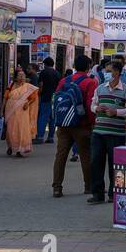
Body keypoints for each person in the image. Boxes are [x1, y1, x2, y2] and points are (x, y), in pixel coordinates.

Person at [87, 60, 126, 204]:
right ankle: (97, 193)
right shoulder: (100, 88)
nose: (107, 74)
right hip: (99, 132)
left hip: (116, 133)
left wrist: (116, 112)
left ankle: (114, 193)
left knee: (115, 165)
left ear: (118, 73)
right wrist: (96, 108)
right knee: (96, 162)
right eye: (106, 71)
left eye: (110, 71)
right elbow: (92, 104)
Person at [51, 55, 97, 197]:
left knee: (60, 155)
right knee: (85, 155)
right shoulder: (91, 82)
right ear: (88, 66)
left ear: (74, 65)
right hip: (82, 125)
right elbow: (90, 105)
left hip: (63, 124)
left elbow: (56, 99)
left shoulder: (64, 81)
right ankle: (88, 186)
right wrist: (92, 123)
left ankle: (57, 187)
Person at [3, 66, 39, 158]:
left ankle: (20, 150)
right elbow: (5, 98)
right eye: (20, 75)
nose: (22, 77)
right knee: (10, 130)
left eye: (23, 75)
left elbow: (34, 98)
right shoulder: (11, 85)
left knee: (21, 129)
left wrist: (28, 103)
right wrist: (1, 110)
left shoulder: (28, 87)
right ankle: (11, 146)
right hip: (10, 110)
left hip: (23, 111)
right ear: (15, 77)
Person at [36, 57, 61, 143]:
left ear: (45, 64)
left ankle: (40, 136)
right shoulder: (57, 73)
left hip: (45, 97)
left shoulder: (44, 72)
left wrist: (39, 94)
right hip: (55, 97)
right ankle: (50, 137)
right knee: (52, 118)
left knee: (43, 117)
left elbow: (41, 85)